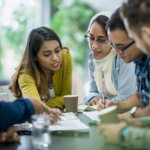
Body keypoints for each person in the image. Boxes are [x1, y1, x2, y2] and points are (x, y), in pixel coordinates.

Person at [99, 8, 150, 149]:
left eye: (121, 47)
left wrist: (131, 118)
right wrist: (117, 106)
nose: (116, 52)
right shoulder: (139, 59)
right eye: (113, 46)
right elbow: (142, 95)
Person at [9, 26, 72, 109]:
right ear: (35, 56)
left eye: (57, 51)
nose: (55, 58)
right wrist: (41, 105)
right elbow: (35, 107)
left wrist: (45, 103)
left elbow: (67, 98)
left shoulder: (65, 57)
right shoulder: (25, 75)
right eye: (47, 54)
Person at [84, 11, 136, 105]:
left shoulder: (124, 56)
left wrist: (104, 102)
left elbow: (126, 98)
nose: (94, 46)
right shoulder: (94, 58)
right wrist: (94, 98)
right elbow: (91, 91)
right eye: (91, 38)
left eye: (101, 40)